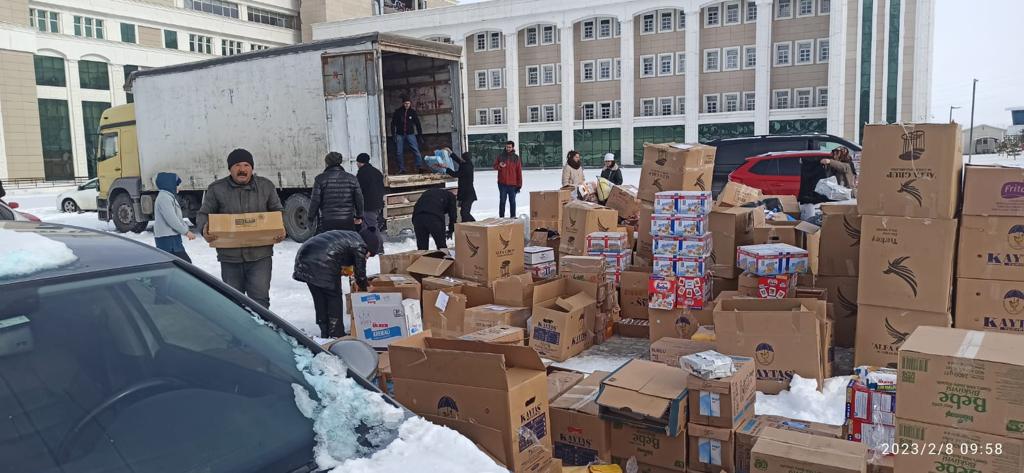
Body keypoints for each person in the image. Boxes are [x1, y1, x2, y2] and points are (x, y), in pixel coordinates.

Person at [197, 148, 285, 308]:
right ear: (230, 168)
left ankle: (260, 332)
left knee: (260, 301)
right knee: (234, 303)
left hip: (260, 256)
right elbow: (203, 214)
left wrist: (280, 228)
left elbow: (278, 211)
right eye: (237, 165)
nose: (242, 169)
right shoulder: (217, 189)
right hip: (230, 258)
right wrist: (205, 228)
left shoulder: (266, 186)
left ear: (252, 168)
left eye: (246, 165)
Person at [293, 230, 371, 338]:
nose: (367, 258)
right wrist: (366, 288)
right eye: (368, 256)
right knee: (334, 297)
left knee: (319, 297)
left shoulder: (352, 236)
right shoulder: (361, 245)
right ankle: (336, 334)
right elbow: (360, 275)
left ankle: (324, 331)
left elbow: (338, 252)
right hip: (322, 261)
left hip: (304, 259)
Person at [309, 151, 365, 233]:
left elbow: (315, 201)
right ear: (340, 162)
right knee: (346, 243)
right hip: (347, 220)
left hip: (327, 221)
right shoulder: (352, 178)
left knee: (330, 243)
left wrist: (310, 217)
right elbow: (359, 199)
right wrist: (359, 216)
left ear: (327, 162)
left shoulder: (320, 179)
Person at [153, 172, 195, 263]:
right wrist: (186, 232)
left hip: (172, 237)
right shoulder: (164, 198)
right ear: (169, 184)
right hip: (167, 239)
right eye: (177, 185)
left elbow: (177, 217)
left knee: (177, 265)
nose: (178, 187)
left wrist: (185, 228)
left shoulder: (168, 197)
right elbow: (172, 219)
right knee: (184, 264)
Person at [355, 153, 385, 255]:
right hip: (378, 204)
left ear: (360, 162)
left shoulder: (362, 174)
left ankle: (379, 249)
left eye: (357, 162)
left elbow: (359, 191)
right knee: (370, 227)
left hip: (368, 205)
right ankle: (371, 247)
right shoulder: (377, 172)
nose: (357, 164)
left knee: (372, 227)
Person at [391, 96, 424, 174]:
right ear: (403, 103)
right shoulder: (398, 112)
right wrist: (393, 135)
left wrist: (420, 135)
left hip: (410, 134)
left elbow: (417, 124)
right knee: (399, 152)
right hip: (399, 134)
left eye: (408, 103)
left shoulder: (412, 112)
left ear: (410, 103)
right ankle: (402, 169)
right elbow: (393, 124)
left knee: (416, 150)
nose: (407, 105)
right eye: (405, 103)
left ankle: (419, 166)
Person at [493, 140, 523, 218]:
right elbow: (494, 166)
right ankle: (501, 217)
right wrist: (499, 165)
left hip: (513, 184)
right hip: (502, 184)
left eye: (509, 147)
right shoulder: (500, 156)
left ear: (513, 147)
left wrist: (519, 185)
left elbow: (519, 172)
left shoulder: (516, 158)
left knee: (512, 201)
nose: (508, 148)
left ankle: (513, 216)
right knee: (502, 201)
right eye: (507, 147)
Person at [446, 151, 477, 222]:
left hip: (468, 195)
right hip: (466, 194)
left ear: (465, 159)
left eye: (462, 158)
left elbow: (455, 174)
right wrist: (451, 153)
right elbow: (458, 160)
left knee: (464, 213)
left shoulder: (466, 167)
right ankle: (467, 226)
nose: (461, 159)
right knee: (463, 213)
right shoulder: (467, 163)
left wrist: (446, 168)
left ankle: (475, 224)